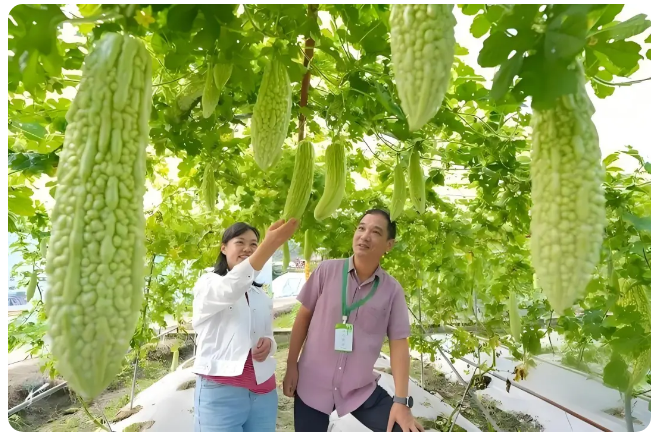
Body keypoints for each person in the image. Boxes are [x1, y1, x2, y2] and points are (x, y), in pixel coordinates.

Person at [283, 209, 424, 432]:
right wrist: (292, 365)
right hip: (312, 384)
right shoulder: (326, 271)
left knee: (407, 432)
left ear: (389, 245)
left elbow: (399, 344)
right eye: (361, 228)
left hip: (359, 388)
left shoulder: (392, 290)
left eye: (375, 232)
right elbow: (303, 318)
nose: (365, 236)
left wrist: (401, 401)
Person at [192, 218, 299, 432]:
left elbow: (267, 334)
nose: (248, 249)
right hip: (221, 390)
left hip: (264, 391)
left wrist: (269, 343)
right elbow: (232, 286)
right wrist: (270, 245)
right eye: (240, 242)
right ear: (223, 248)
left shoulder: (260, 293)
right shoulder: (208, 283)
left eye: (253, 244)